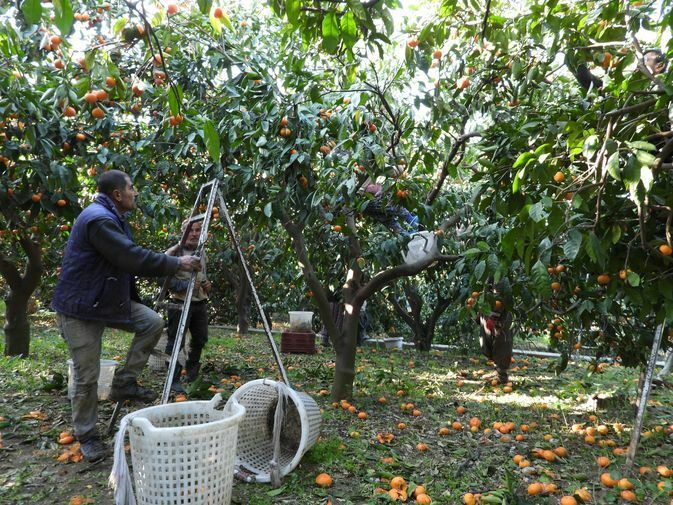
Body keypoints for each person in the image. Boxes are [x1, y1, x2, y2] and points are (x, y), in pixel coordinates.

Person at [52, 170, 202, 462]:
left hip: (105, 300)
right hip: (81, 308)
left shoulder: (112, 218)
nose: (136, 193)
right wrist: (177, 262)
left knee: (151, 322)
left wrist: (167, 257)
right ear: (117, 194)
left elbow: (127, 257)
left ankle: (124, 382)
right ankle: (87, 435)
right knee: (87, 375)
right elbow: (130, 257)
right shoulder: (99, 219)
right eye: (132, 188)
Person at [163, 219, 212, 392]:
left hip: (199, 303)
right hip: (180, 303)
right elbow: (164, 280)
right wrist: (186, 286)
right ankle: (173, 378)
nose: (194, 233)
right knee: (176, 341)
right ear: (183, 232)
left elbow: (202, 274)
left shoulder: (201, 250)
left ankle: (191, 373)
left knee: (200, 339)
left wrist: (206, 284)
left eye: (198, 230)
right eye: (190, 230)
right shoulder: (175, 253)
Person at [477, 309, 513, 384]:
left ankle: (502, 374)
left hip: (501, 308)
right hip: (488, 307)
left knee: (501, 339)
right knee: (487, 337)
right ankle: (497, 371)